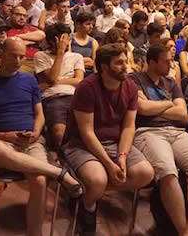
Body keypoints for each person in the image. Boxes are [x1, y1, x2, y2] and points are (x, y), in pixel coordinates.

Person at [0, 38, 83, 236]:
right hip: (0, 142)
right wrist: (3, 135)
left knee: (38, 181)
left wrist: (37, 132)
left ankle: (35, 233)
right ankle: (58, 173)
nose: (19, 60)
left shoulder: (29, 80)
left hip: (31, 140)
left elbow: (39, 114)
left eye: (22, 56)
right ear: (1, 55)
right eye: (14, 55)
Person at [62, 43, 155, 234]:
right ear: (104, 67)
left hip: (114, 142)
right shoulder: (87, 88)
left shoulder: (129, 87)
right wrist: (108, 163)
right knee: (98, 180)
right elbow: (87, 132)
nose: (126, 67)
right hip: (81, 143)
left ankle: (84, 194)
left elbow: (129, 126)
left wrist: (121, 156)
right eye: (119, 63)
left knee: (146, 173)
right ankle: (88, 206)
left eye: (126, 61)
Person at [130, 44, 188, 236]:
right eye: (167, 61)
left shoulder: (171, 83)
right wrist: (170, 104)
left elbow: (183, 114)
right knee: (168, 172)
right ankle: (183, 230)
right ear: (151, 62)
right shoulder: (134, 80)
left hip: (176, 132)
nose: (171, 64)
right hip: (147, 131)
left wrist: (156, 106)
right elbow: (142, 110)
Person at [34, 23, 84, 147]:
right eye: (63, 39)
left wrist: (56, 81)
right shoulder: (40, 56)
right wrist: (60, 51)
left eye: (67, 39)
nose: (66, 42)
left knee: (84, 131)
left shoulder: (76, 57)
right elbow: (51, 77)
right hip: (53, 97)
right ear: (52, 41)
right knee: (59, 133)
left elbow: (78, 81)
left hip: (75, 96)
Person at [6, 6, 45, 74]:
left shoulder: (30, 28)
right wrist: (31, 39)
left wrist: (17, 37)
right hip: (20, 62)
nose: (22, 18)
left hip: (38, 61)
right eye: (18, 15)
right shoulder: (6, 29)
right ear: (11, 15)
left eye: (25, 16)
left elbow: (41, 35)